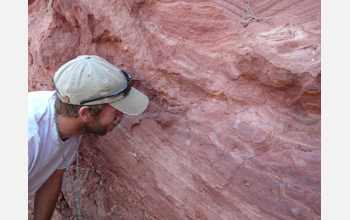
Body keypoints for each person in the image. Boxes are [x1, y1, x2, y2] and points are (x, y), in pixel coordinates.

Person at [28, 55, 149, 219]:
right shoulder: (29, 137)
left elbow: (53, 177)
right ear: (85, 113)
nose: (120, 115)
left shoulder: (70, 120)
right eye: (115, 110)